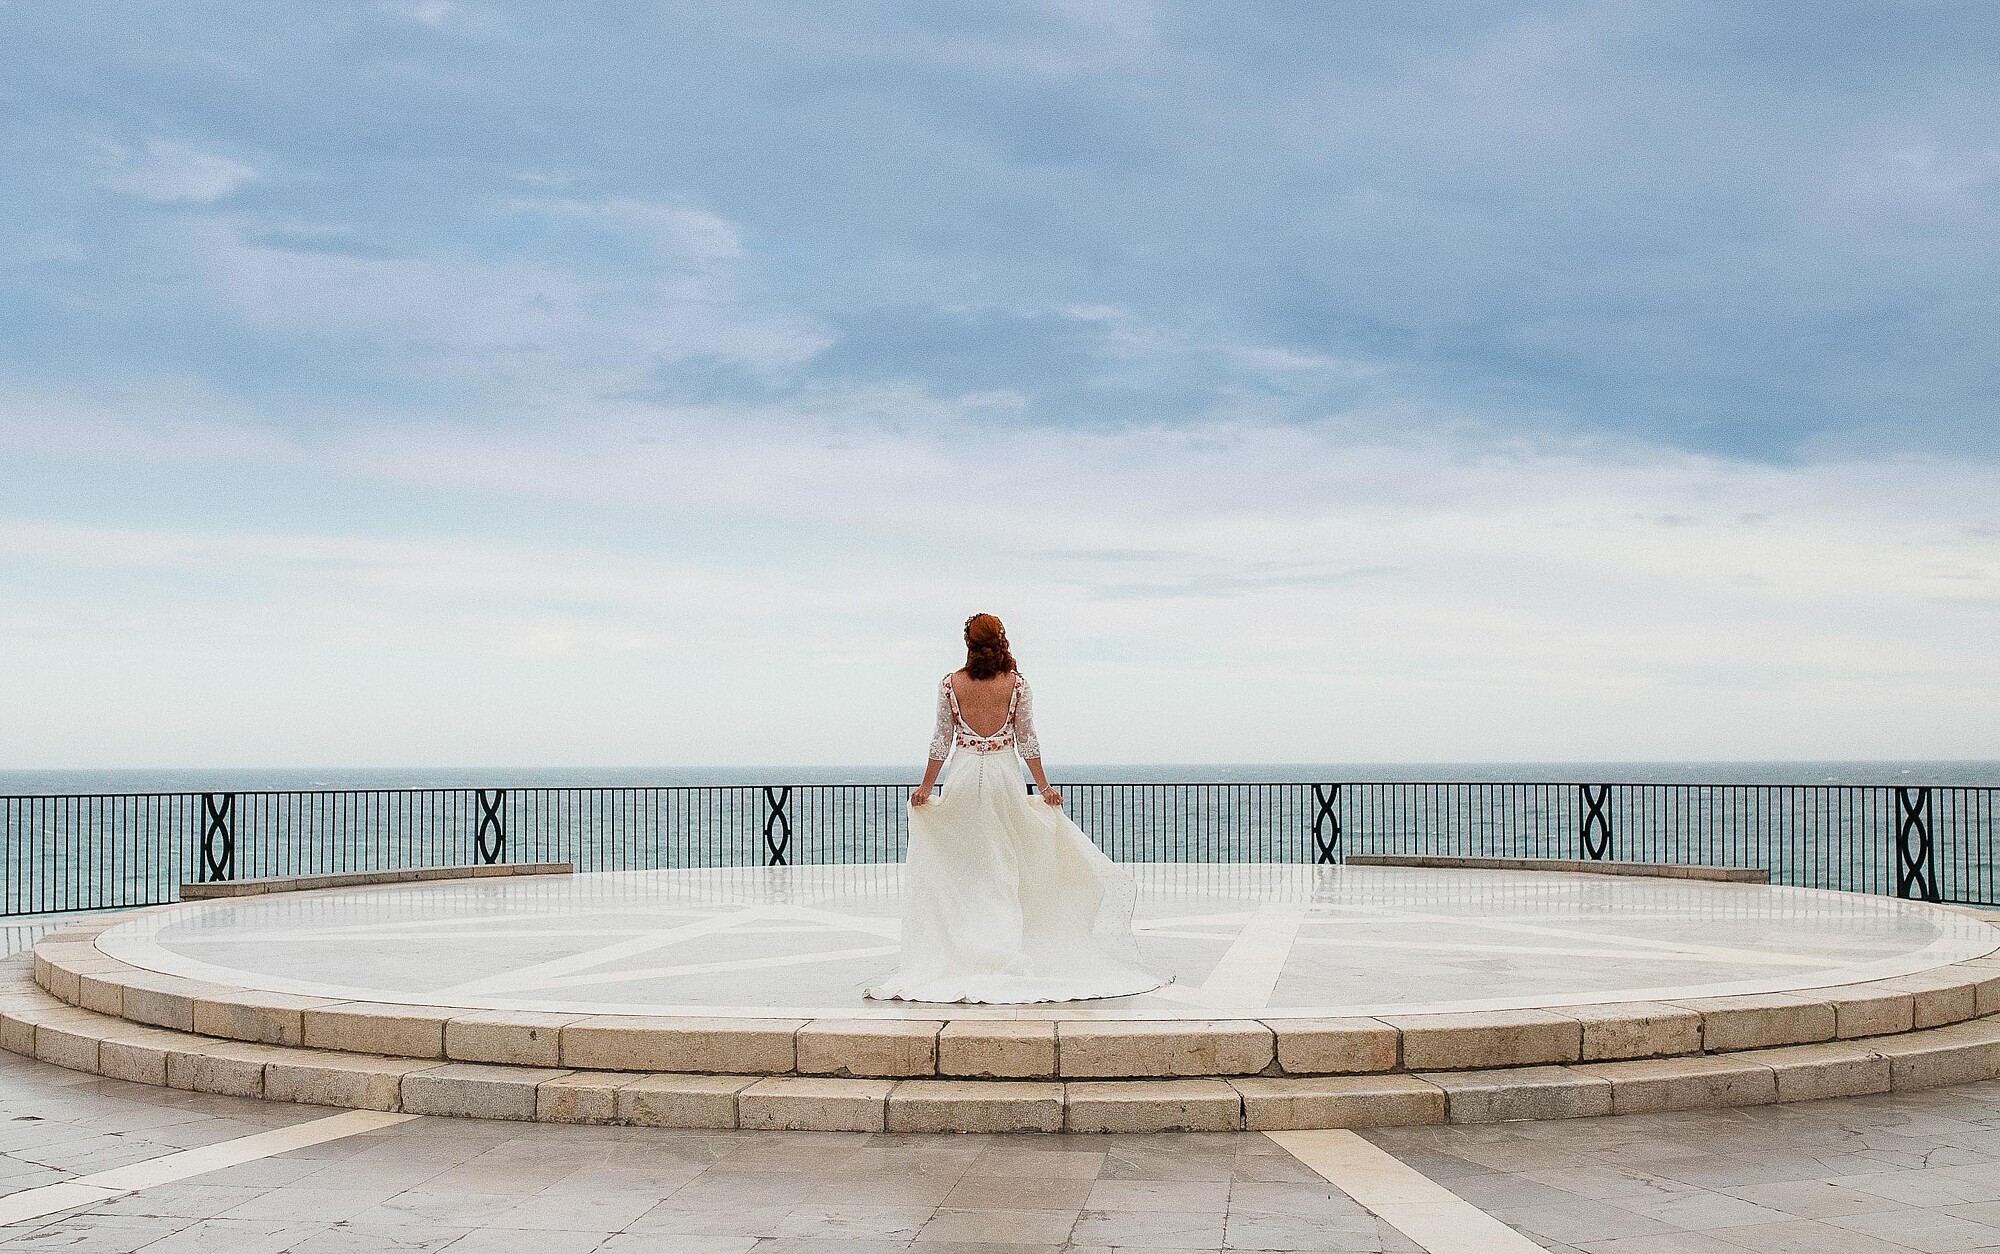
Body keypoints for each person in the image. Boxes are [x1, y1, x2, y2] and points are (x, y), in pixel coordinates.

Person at [866, 614, 1166, 1004]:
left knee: (967, 865)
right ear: (1001, 640)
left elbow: (941, 741)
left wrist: (926, 787)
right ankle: (1003, 944)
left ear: (968, 643)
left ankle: (967, 947)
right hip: (1004, 780)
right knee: (1003, 864)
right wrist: (1044, 787)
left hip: (963, 778)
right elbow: (1028, 741)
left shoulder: (949, 684)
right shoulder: (1017, 684)